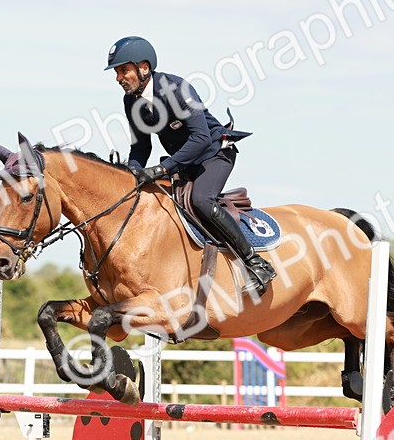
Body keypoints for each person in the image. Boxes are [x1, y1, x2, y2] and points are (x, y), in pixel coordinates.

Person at [105, 36, 277, 295]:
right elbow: (141, 147)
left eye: (123, 70)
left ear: (143, 68)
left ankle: (256, 262)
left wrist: (164, 169)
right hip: (183, 162)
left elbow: (200, 138)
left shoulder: (177, 89)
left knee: (201, 199)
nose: (119, 78)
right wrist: (131, 173)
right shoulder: (131, 101)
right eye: (117, 72)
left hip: (214, 152)